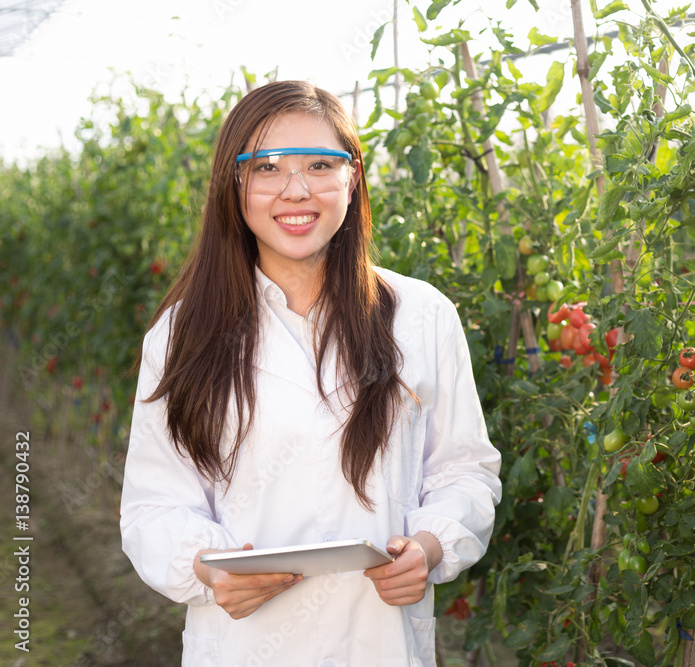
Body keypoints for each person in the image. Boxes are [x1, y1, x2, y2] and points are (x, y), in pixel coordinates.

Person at [120, 80, 502, 667]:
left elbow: (464, 470)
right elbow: (154, 505)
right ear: (234, 184)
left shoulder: (422, 316)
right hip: (245, 645)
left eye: (321, 164)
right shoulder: (181, 336)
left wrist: (429, 546)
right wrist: (207, 568)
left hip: (379, 642)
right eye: (266, 166)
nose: (296, 190)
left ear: (353, 176)